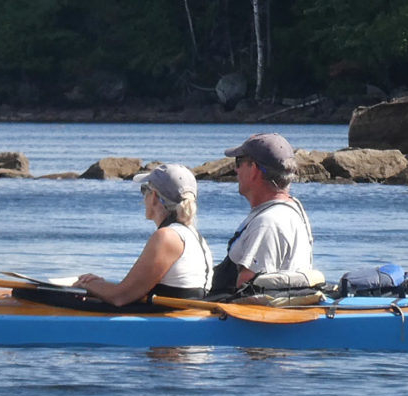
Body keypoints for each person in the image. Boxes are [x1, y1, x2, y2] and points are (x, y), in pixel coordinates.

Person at [75, 164, 214, 306]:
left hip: (168, 322)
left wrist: (87, 284)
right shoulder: (195, 237)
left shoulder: (167, 237)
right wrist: (102, 285)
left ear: (153, 196)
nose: (143, 199)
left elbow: (120, 297)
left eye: (144, 190)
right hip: (187, 317)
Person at [210, 131, 314, 296]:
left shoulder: (268, 222)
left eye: (239, 162)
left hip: (247, 318)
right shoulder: (292, 208)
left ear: (254, 169)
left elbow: (247, 290)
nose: (236, 170)